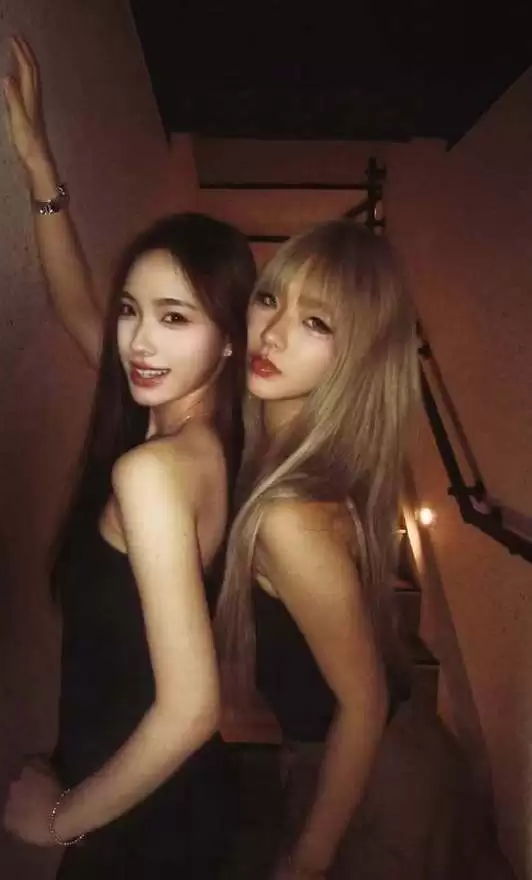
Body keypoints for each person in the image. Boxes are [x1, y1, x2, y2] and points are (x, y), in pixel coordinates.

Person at [0, 37, 256, 878]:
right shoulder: (201, 440)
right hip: (163, 803)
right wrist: (41, 168)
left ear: (229, 340)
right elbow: (75, 302)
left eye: (176, 318)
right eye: (133, 311)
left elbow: (191, 709)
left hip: (143, 824)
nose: (141, 342)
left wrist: (59, 822)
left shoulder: (151, 473)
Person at [215, 221, 420, 879]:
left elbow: (365, 704)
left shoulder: (288, 516)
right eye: (270, 298)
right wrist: (45, 187)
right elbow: (99, 336)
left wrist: (308, 861)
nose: (272, 334)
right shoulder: (288, 455)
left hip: (372, 779)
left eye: (316, 323)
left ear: (358, 355)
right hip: (344, 756)